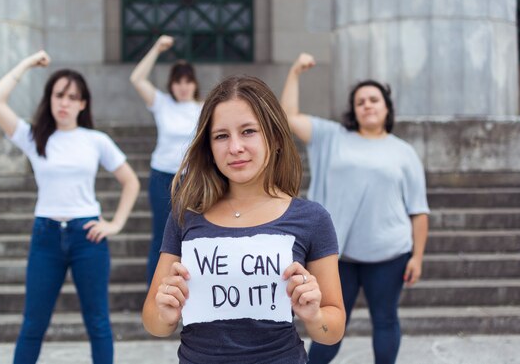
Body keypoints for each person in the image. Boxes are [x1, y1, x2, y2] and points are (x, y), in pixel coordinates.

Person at [141, 75, 346, 364]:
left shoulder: (312, 219)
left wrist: (315, 315)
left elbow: (332, 331)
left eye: (248, 131)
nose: (235, 147)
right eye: (221, 136)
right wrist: (164, 312)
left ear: (274, 138)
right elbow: (154, 322)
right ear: (209, 148)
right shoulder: (185, 216)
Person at [0, 51, 140, 364]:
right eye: (59, 95)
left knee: (97, 322)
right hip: (46, 237)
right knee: (33, 324)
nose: (64, 103)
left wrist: (115, 224)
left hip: (88, 237)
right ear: (50, 99)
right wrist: (27, 63)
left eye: (72, 97)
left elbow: (131, 181)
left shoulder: (96, 140)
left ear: (83, 104)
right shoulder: (34, 137)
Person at [280, 53, 430, 364]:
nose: (367, 105)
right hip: (337, 255)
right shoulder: (331, 137)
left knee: (386, 320)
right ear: (354, 110)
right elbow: (288, 116)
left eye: (374, 99)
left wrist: (417, 256)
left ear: (386, 106)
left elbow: (418, 209)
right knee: (330, 324)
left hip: (389, 253)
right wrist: (294, 72)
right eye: (360, 101)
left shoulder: (404, 152)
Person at [129, 35, 202, 286]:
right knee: (162, 236)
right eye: (178, 81)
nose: (183, 86)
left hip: (192, 179)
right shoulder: (162, 104)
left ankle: (189, 292)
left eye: (188, 81)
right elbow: (136, 78)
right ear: (172, 84)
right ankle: (155, 293)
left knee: (191, 236)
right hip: (162, 176)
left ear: (194, 84)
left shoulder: (203, 109)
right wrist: (157, 48)